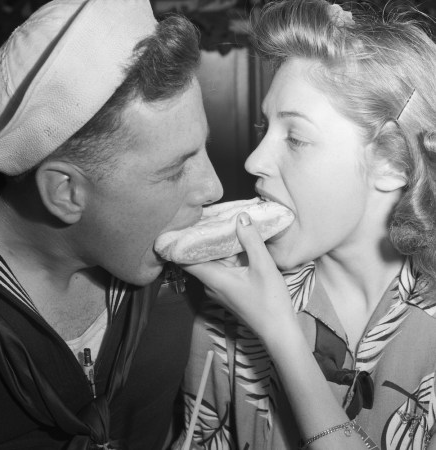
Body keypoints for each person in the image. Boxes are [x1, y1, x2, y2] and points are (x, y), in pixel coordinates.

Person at [176, 0, 436, 449]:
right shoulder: (227, 311)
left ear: (393, 160)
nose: (254, 160)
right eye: (264, 128)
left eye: (295, 138)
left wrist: (281, 335)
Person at [0, 0, 223, 448]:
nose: (213, 189)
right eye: (176, 169)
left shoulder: (187, 284)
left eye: (203, 149)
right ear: (66, 193)